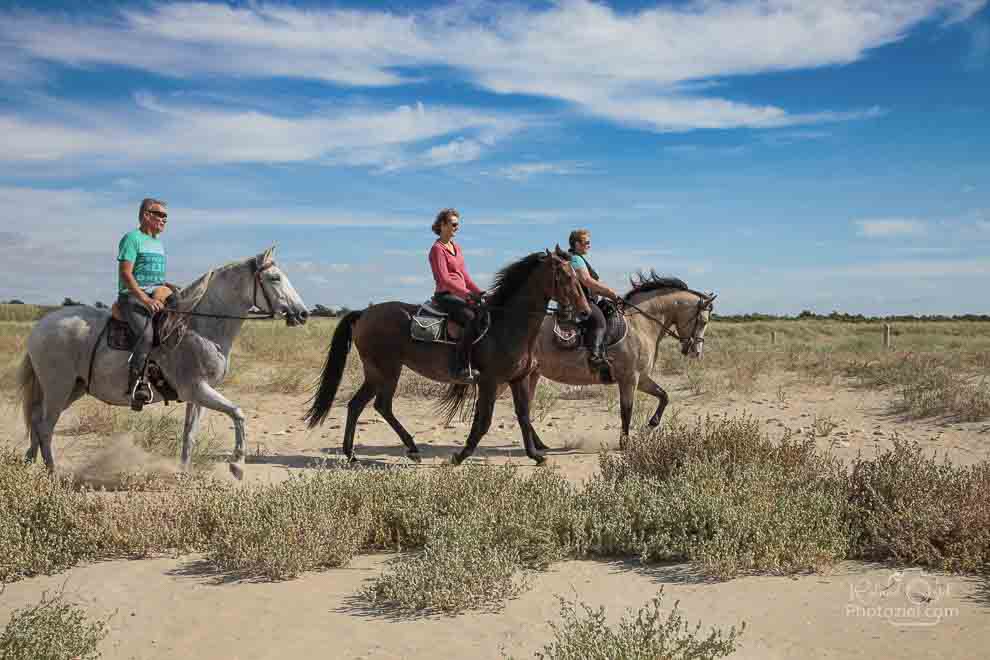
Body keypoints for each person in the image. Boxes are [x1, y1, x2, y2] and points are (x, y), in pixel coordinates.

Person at [117, 198, 174, 410]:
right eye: (159, 214)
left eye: (165, 216)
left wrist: (169, 286)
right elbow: (125, 274)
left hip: (156, 293)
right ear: (146, 215)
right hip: (132, 297)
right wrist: (146, 300)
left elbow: (154, 277)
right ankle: (135, 387)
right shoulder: (132, 239)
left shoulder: (158, 244)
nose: (164, 219)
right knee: (146, 336)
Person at [428, 208, 485, 384]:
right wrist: (468, 295)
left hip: (462, 295)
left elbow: (465, 277)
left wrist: (480, 293)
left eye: (457, 225)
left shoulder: (457, 248)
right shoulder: (437, 249)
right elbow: (444, 280)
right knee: (470, 319)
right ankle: (461, 366)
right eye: (453, 224)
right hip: (446, 296)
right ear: (442, 225)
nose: (456, 228)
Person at [567, 229, 619, 367]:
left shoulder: (576, 258)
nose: (589, 245)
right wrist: (610, 293)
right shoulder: (575, 259)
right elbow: (587, 281)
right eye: (586, 242)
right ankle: (594, 357)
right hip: (582, 301)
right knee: (599, 322)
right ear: (577, 244)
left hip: (588, 299)